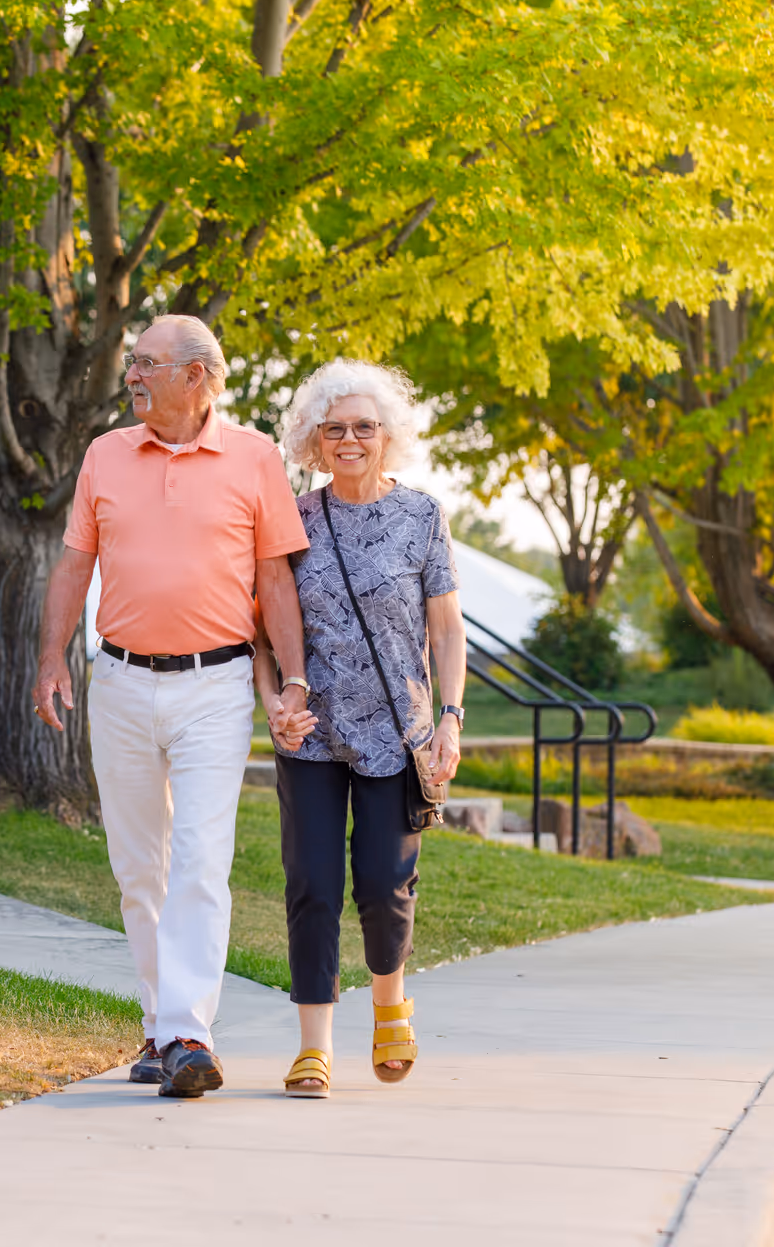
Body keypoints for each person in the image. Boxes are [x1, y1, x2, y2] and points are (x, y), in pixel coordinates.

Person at [31, 315, 312, 1099]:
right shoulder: (104, 456)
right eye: (132, 363)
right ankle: (160, 1028)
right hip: (118, 681)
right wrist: (52, 656)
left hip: (215, 686)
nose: (132, 376)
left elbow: (278, 582)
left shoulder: (256, 458)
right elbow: (73, 564)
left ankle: (190, 1031)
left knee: (198, 859)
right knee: (138, 868)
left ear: (197, 377)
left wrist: (295, 681)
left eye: (147, 363)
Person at [253, 359, 465, 1099]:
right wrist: (274, 701)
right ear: (313, 441)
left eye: (364, 427)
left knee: (382, 882)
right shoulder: (292, 520)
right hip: (312, 732)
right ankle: (315, 1045)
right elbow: (263, 632)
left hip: (396, 735)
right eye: (334, 428)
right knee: (312, 882)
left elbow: (446, 633)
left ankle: (389, 1004)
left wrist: (449, 720)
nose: (349, 439)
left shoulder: (423, 517)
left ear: (388, 437)